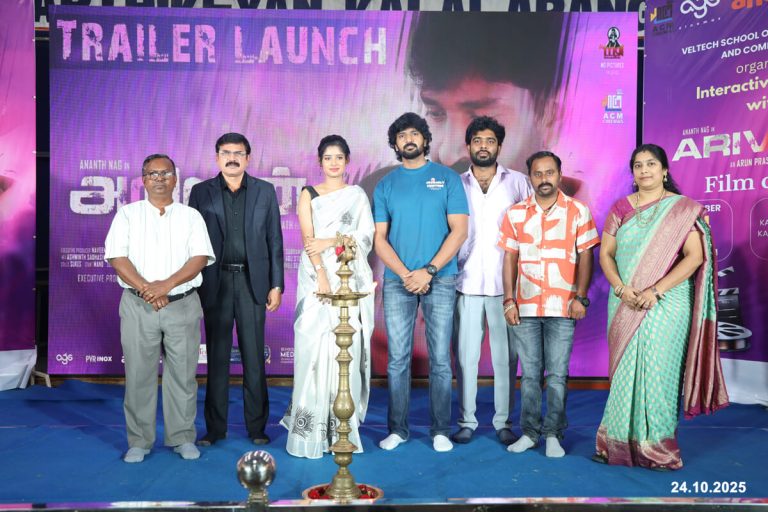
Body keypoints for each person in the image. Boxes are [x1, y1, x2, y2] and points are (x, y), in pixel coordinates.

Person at [593, 144, 729, 471]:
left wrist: (655, 290)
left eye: (651, 164)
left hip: (667, 301)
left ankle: (658, 448)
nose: (644, 170)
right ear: (633, 172)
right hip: (625, 300)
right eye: (638, 165)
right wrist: (621, 287)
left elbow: (694, 258)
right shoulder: (620, 208)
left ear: (664, 170)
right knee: (625, 372)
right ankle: (615, 444)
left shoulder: (682, 210)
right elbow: (606, 254)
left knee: (658, 372)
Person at [359, 14, 585, 201]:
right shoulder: (380, 197)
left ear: (548, 119)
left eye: (480, 119)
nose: (447, 154)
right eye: (436, 113)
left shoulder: (585, 219)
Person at [104, 154, 215, 463]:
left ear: (175, 179)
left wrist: (165, 285)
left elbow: (199, 258)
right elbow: (117, 257)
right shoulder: (128, 214)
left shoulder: (191, 216)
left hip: (182, 305)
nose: (159, 179)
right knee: (139, 375)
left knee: (183, 375)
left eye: (165, 173)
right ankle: (139, 441)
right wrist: (148, 289)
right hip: (138, 306)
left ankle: (182, 437)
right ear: (143, 180)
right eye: (153, 174)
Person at [374, 112, 469, 453]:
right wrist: (406, 274)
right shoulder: (386, 184)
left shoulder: (447, 179)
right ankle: (397, 430)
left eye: (414, 134)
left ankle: (440, 430)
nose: (409, 140)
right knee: (397, 359)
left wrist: (428, 271)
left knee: (440, 358)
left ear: (425, 139)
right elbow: (379, 239)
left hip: (439, 279)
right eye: (402, 136)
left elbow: (459, 231)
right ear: (395, 143)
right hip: (398, 281)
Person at [280, 135, 375, 459]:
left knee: (344, 350)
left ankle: (342, 429)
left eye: (339, 157)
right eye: (328, 158)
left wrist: (333, 240)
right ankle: (310, 431)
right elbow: (309, 240)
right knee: (313, 349)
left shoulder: (357, 196)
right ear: (320, 162)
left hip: (348, 278)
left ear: (347, 161)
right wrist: (321, 274)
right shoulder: (308, 194)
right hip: (315, 278)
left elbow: (365, 237)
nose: (333, 163)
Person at [499, 151, 599, 458]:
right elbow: (510, 258)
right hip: (526, 307)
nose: (544, 179)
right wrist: (509, 300)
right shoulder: (516, 213)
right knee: (530, 375)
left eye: (550, 172)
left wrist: (580, 296)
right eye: (538, 173)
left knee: (556, 375)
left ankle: (554, 433)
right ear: (530, 177)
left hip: (563, 307)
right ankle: (530, 434)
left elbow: (586, 255)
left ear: (559, 174)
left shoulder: (578, 211)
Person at [188, 133, 284, 446]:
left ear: (248, 157)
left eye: (238, 153)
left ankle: (257, 428)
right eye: (226, 153)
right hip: (214, 283)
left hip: (252, 284)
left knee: (254, 358)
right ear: (217, 157)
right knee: (216, 358)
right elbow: (192, 242)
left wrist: (276, 284)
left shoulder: (264, 191)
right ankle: (215, 429)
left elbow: (275, 240)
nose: (232, 158)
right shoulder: (200, 192)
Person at [452, 116, 532, 446]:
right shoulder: (455, 184)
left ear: (499, 146)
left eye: (489, 141)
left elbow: (532, 230)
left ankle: (503, 422)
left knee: (505, 358)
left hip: (506, 287)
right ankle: (466, 420)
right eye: (477, 140)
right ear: (468, 145)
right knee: (465, 357)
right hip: (466, 282)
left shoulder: (519, 183)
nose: (483, 146)